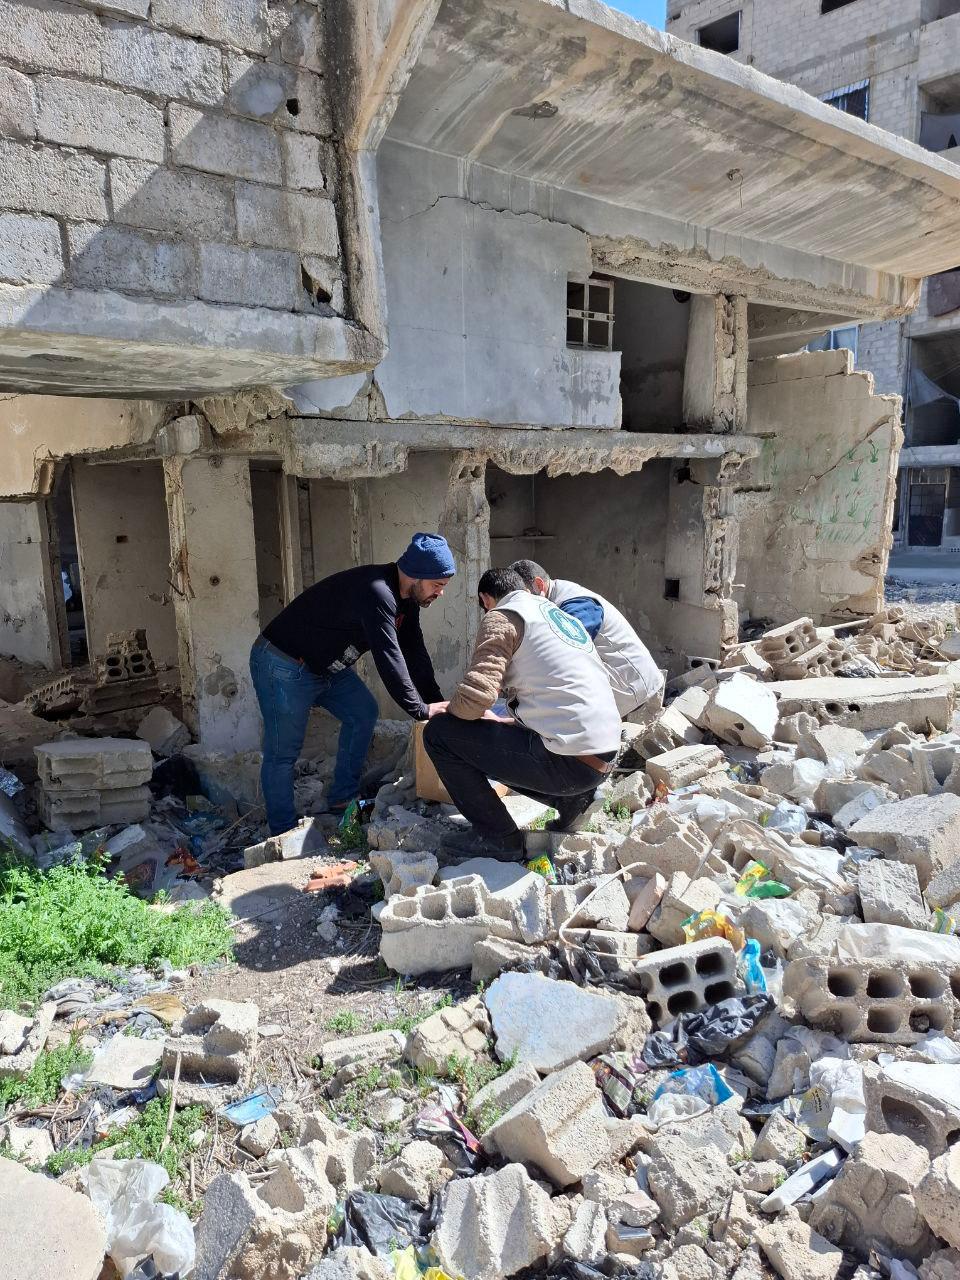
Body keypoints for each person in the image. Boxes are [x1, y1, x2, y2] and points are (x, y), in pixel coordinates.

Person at [250, 533, 455, 835]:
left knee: (363, 712)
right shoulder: (377, 592)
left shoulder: (407, 601)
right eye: (437, 585)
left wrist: (436, 703)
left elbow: (414, 651)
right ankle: (282, 834)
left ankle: (341, 799)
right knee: (283, 752)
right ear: (417, 575)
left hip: (326, 667)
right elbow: (389, 657)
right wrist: (419, 709)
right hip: (285, 664)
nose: (441, 593)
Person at [423, 567, 622, 859]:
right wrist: (501, 723)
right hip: (602, 758)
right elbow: (558, 701)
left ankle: (498, 837)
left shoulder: (503, 615)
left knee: (440, 734)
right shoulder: (557, 616)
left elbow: (476, 696)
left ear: (486, 599)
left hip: (568, 764)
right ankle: (572, 801)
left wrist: (450, 711)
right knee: (493, 738)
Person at [509, 559, 663, 717]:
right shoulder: (553, 600)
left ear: (539, 585)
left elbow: (562, 654)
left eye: (522, 596)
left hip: (630, 684)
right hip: (623, 680)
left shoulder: (577, 604)